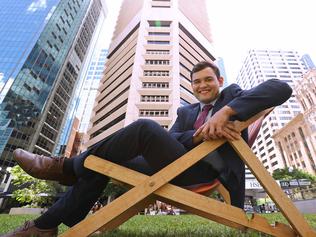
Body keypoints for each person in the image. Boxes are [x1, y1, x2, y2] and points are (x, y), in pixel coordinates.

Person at [1, 61, 292, 237]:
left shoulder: (234, 96)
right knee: (103, 159)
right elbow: (177, 139)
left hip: (206, 171)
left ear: (220, 82)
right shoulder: (186, 111)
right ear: (192, 87)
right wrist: (199, 134)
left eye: (208, 80)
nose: (202, 85)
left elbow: (280, 88)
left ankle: (64, 168)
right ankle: (44, 226)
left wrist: (224, 112)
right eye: (197, 82)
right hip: (174, 166)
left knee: (144, 127)